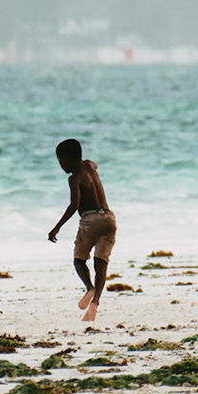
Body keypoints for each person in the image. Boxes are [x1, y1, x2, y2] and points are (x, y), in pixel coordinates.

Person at [47, 138, 116, 322]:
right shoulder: (90, 166)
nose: (61, 165)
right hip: (109, 218)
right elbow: (94, 163)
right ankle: (95, 302)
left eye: (61, 161)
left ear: (69, 160)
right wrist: (87, 164)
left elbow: (74, 205)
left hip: (90, 219)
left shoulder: (74, 178)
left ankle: (89, 288)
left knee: (79, 261)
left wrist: (56, 228)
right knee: (101, 262)